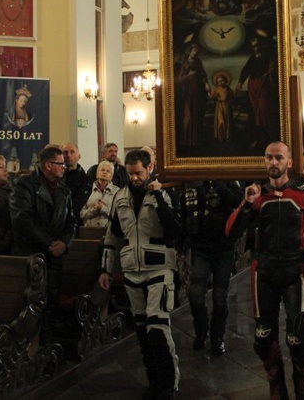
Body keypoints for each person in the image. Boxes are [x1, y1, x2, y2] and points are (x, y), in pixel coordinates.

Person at [225, 141, 304, 399]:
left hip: (298, 270)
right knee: (263, 338)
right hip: (263, 271)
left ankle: (303, 387)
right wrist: (245, 203)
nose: (273, 162)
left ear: (289, 162)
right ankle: (276, 388)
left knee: (299, 339)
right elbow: (231, 232)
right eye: (268, 158)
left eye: (279, 158)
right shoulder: (257, 194)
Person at [98, 150, 182, 400]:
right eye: (130, 173)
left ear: (149, 168)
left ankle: (169, 384)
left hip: (159, 267)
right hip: (132, 270)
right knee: (144, 332)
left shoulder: (164, 192)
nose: (134, 178)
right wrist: (105, 268)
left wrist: (156, 195)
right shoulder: (120, 197)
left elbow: (175, 229)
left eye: (139, 173)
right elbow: (112, 235)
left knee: (158, 330)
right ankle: (154, 382)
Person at [10, 145, 78, 344]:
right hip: (30, 253)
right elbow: (23, 219)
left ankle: (46, 347)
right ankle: (29, 347)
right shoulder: (24, 185)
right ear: (48, 165)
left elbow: (71, 221)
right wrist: (49, 243)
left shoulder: (64, 189)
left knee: (51, 301)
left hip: (54, 256)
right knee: (30, 303)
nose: (64, 167)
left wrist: (65, 243)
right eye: (60, 163)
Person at [183, 179, 243, 356]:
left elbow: (237, 200)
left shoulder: (229, 182)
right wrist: (182, 243)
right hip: (200, 247)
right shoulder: (194, 183)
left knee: (219, 296)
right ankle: (201, 329)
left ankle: (217, 336)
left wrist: (219, 184)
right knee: (195, 293)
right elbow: (187, 212)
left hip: (223, 248)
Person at [236, 37, 279, 150]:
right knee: (254, 113)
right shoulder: (253, 58)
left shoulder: (269, 57)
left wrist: (268, 74)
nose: (256, 49)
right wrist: (240, 82)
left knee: (263, 111)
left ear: (261, 46)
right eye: (254, 46)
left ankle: (268, 138)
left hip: (264, 85)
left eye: (257, 46)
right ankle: (257, 138)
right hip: (253, 87)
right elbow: (246, 69)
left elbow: (274, 68)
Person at [176, 42, 210, 147]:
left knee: (197, 116)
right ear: (190, 51)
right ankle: (186, 140)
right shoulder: (185, 64)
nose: (196, 52)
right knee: (189, 116)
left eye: (197, 51)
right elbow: (180, 80)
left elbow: (203, 74)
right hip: (188, 94)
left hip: (198, 93)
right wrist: (189, 75)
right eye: (194, 50)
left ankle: (195, 141)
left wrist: (206, 83)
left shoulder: (198, 62)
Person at [79, 160, 118, 228]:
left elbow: (119, 214)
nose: (105, 172)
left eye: (108, 171)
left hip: (110, 231)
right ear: (97, 174)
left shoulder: (117, 192)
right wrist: (94, 209)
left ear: (111, 176)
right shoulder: (87, 189)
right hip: (90, 230)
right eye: (102, 170)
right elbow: (81, 214)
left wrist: (103, 209)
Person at [62, 143, 91, 222]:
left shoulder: (85, 179)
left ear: (79, 156)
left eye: (72, 152)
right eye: (65, 152)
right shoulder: (56, 176)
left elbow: (79, 202)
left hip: (75, 220)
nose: (68, 155)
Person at [209, 72, 234, 142]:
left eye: (222, 80)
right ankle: (220, 136)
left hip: (227, 106)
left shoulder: (228, 89)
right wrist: (209, 92)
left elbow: (232, 97)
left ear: (225, 80)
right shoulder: (217, 89)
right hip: (219, 106)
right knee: (221, 122)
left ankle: (227, 137)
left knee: (227, 121)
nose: (221, 82)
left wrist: (230, 101)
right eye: (219, 81)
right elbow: (212, 97)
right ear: (217, 82)